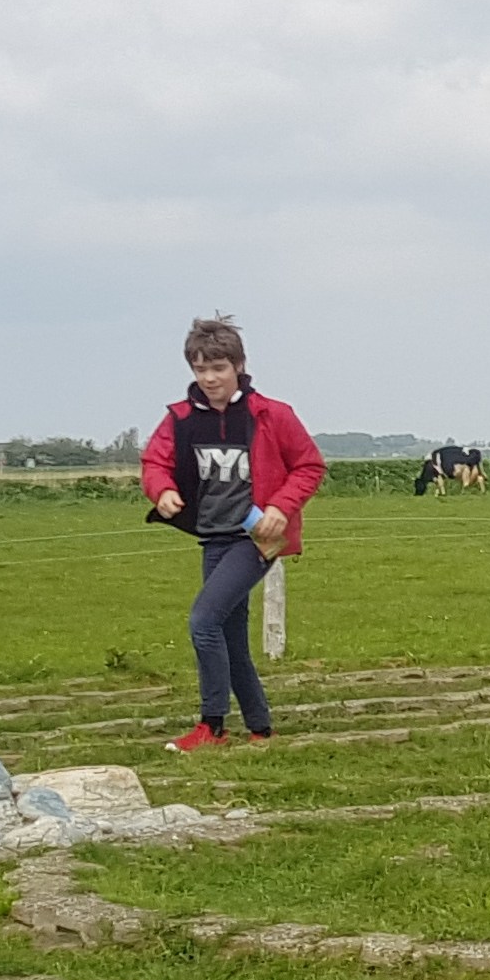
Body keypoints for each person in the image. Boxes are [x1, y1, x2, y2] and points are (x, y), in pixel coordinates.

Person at [141, 315, 326, 749]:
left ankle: (212, 727)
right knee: (227, 633)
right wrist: (162, 489)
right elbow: (155, 462)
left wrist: (282, 506)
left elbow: (309, 465)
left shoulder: (272, 415)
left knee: (203, 621)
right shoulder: (181, 418)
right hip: (213, 537)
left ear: (238, 366)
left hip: (255, 539)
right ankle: (261, 728)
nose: (209, 378)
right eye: (200, 369)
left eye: (218, 368)